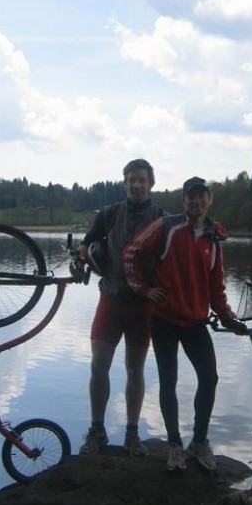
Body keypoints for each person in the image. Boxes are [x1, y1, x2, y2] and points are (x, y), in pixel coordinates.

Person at [123, 176, 247, 472]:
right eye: (191, 197)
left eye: (202, 197)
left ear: (210, 200)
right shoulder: (166, 227)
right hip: (163, 319)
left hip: (195, 322)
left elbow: (216, 288)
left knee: (210, 378)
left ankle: (199, 442)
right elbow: (130, 254)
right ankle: (175, 445)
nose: (196, 201)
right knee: (169, 381)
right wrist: (143, 290)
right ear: (184, 200)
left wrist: (230, 320)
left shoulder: (214, 240)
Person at [78, 159, 165, 456]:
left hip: (142, 306)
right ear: (125, 183)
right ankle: (97, 431)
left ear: (151, 184)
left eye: (142, 180)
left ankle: (132, 434)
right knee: (98, 364)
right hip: (111, 300)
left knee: (135, 369)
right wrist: (91, 256)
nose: (137, 185)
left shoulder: (162, 219)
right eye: (132, 180)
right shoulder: (109, 214)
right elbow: (85, 246)